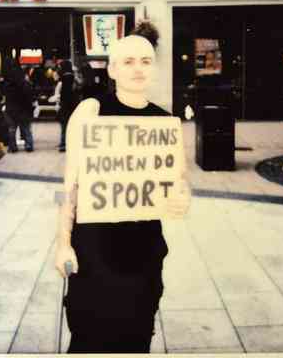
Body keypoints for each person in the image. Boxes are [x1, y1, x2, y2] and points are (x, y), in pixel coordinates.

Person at [55, 22, 191, 353]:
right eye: (128, 61)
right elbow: (68, 186)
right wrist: (63, 243)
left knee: (136, 336)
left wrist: (183, 199)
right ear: (113, 69)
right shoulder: (92, 111)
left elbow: (179, 182)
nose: (138, 69)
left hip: (144, 253)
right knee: (89, 338)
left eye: (145, 61)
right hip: (95, 251)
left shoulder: (165, 122)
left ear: (154, 67)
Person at [0, 58, 35, 153]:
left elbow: (3, 94)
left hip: (11, 108)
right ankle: (29, 145)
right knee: (26, 128)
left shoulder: (6, 83)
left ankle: (12, 147)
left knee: (12, 129)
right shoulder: (24, 82)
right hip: (23, 108)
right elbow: (29, 94)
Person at [57, 60, 79, 152]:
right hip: (73, 105)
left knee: (64, 126)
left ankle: (63, 144)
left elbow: (60, 93)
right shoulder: (74, 78)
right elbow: (78, 88)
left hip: (64, 105)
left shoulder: (62, 79)